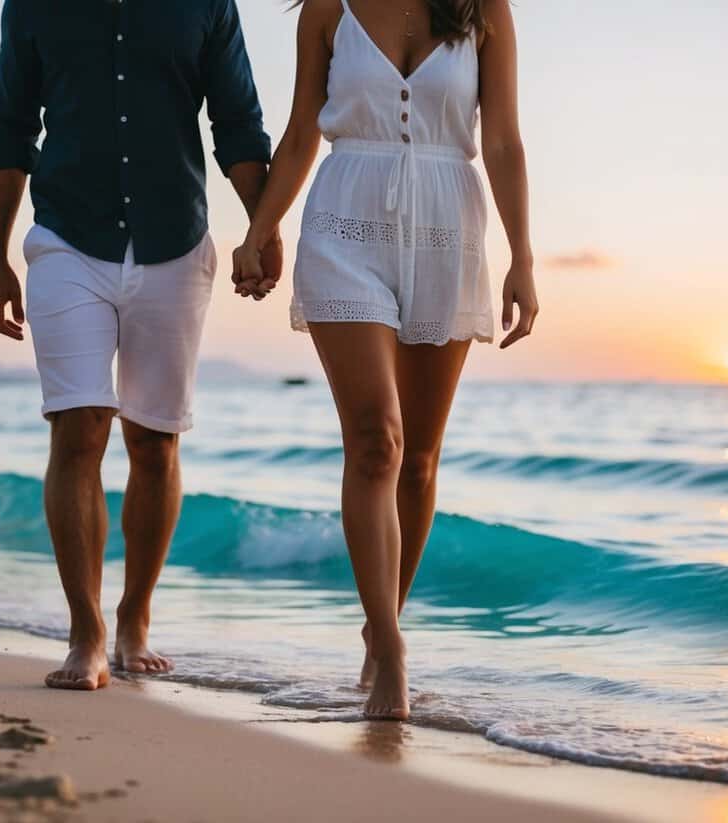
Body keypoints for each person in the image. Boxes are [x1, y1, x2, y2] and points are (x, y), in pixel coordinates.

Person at [232, 0, 537, 719]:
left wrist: (523, 256)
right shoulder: (326, 11)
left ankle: (380, 626)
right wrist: (259, 228)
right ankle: (395, 652)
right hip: (344, 226)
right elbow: (303, 132)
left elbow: (503, 142)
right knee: (378, 440)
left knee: (422, 456)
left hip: (446, 228)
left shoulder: (483, 10)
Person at [0, 0, 281, 691]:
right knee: (79, 428)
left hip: (174, 242)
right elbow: (11, 129)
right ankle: (85, 632)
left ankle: (134, 619)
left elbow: (237, 121)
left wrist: (260, 226)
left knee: (155, 441)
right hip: (66, 240)